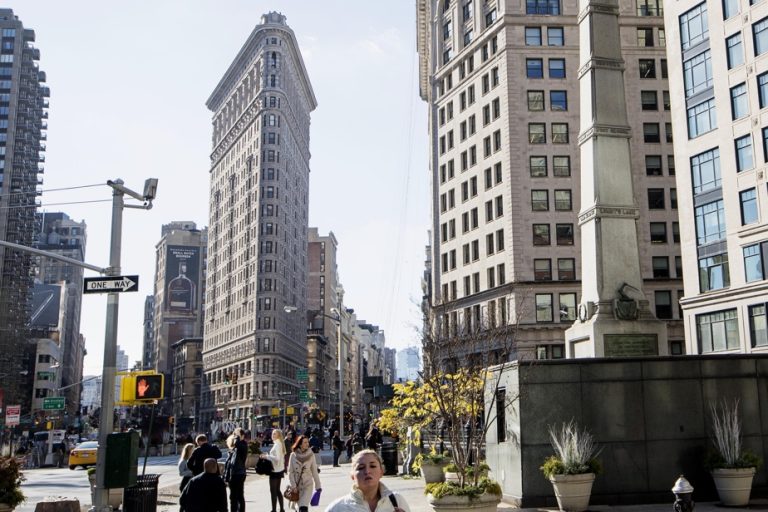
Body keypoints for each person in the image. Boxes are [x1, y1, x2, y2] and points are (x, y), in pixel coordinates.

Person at [324, 449, 410, 512]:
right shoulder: (337, 508)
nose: (367, 471)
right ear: (352, 476)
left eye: (372, 466)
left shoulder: (396, 500)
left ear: (381, 472)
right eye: (361, 468)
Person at [287, 435, 322, 512]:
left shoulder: (311, 455)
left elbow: (314, 471)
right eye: (305, 442)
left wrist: (318, 486)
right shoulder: (293, 455)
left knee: (303, 507)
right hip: (297, 487)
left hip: (307, 485)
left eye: (308, 442)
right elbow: (290, 472)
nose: (307, 444)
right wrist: (293, 486)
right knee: (299, 507)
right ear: (300, 444)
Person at [260, 429, 286, 512]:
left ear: (278, 436)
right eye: (272, 434)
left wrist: (267, 456)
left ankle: (274, 510)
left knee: (273, 491)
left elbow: (277, 459)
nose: (272, 435)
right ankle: (281, 509)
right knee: (277, 490)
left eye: (275, 434)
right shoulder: (279, 444)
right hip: (279, 470)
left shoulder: (278, 445)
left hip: (275, 471)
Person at [225, 428, 248, 512]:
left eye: (237, 435)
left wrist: (237, 437)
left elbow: (237, 443)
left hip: (239, 473)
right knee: (233, 496)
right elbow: (229, 464)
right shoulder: (235, 448)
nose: (235, 437)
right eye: (234, 435)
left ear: (242, 436)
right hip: (234, 474)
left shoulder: (243, 445)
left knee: (238, 496)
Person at [178, 442, 195, 510]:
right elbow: (181, 473)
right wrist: (192, 472)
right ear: (189, 450)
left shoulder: (192, 459)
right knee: (184, 502)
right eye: (192, 449)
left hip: (191, 481)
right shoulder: (183, 461)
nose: (194, 451)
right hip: (185, 481)